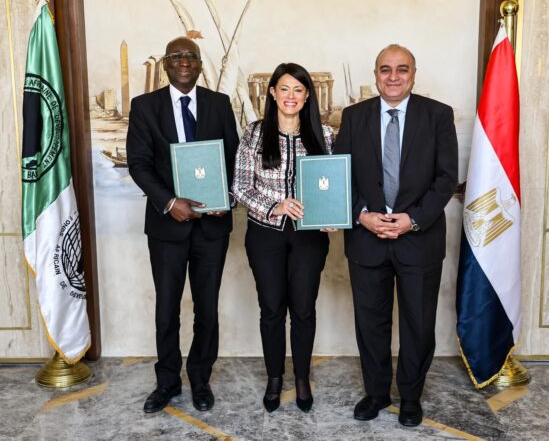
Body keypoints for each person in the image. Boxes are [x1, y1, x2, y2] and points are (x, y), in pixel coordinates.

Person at [334, 44, 458, 427]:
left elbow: (446, 179)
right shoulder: (353, 117)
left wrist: (413, 220)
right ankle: (376, 393)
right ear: (375, 75)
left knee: (418, 324)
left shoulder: (438, 115)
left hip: (419, 239)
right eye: (385, 69)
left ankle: (410, 397)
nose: (393, 76)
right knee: (370, 323)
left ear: (413, 75)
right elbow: (341, 173)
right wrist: (361, 216)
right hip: (366, 238)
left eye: (402, 69)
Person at [126, 36, 239, 413]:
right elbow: (139, 164)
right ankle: (167, 382)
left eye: (191, 56)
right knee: (167, 309)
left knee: (207, 308)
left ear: (201, 65)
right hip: (167, 229)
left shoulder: (220, 104)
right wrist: (169, 202)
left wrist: (226, 198)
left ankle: (201, 379)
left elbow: (234, 158)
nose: (184, 62)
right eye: (176, 56)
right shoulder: (144, 107)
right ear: (165, 64)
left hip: (212, 229)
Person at [232, 63, 335, 413]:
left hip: (310, 237)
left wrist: (332, 214)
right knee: (272, 309)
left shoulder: (325, 135)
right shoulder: (254, 134)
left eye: (298, 90)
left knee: (304, 309)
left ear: (307, 97)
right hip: (265, 236)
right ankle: (275, 377)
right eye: (285, 89)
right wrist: (274, 206)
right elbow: (240, 187)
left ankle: (302, 378)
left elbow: (334, 184)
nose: (291, 96)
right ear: (273, 93)